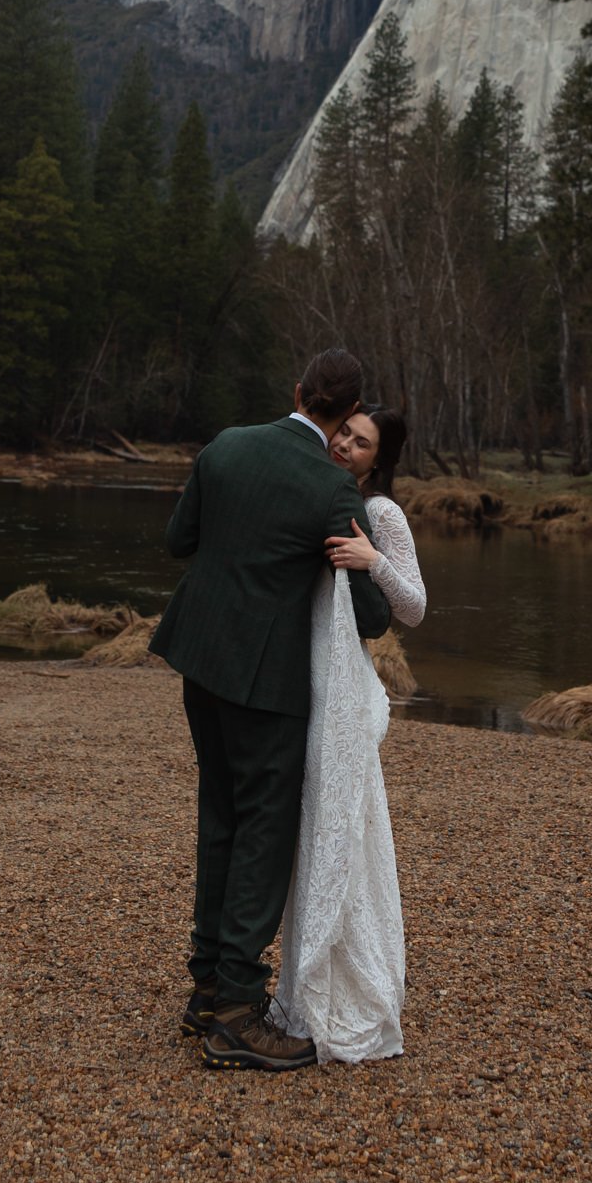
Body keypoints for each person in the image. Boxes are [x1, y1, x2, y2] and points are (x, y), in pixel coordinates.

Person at [151, 348, 393, 1074]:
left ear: (295, 392)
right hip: (267, 681)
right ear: (347, 410)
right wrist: (368, 563)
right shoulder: (331, 488)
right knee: (263, 826)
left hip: (200, 656)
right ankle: (233, 1011)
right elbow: (373, 617)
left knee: (219, 812)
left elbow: (178, 542)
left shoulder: (225, 445)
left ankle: (205, 989)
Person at [276, 404, 424, 1063]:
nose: (344, 444)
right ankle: (300, 979)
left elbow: (415, 607)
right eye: (343, 431)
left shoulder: (382, 512)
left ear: (376, 458)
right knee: (304, 826)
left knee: (345, 823)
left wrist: (371, 560)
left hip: (341, 679)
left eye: (360, 443)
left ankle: (352, 984)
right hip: (296, 670)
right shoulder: (310, 484)